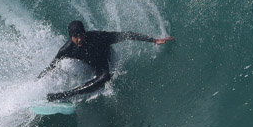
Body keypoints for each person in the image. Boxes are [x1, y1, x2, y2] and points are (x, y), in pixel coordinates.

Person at [38, 20, 174, 101]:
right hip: (89, 64)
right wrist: (38, 81)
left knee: (105, 77)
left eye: (81, 35)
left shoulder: (98, 37)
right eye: (75, 37)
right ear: (70, 36)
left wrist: (154, 40)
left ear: (85, 33)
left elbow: (126, 35)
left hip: (103, 60)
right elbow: (52, 65)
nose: (79, 39)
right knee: (64, 66)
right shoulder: (66, 49)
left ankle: (66, 95)